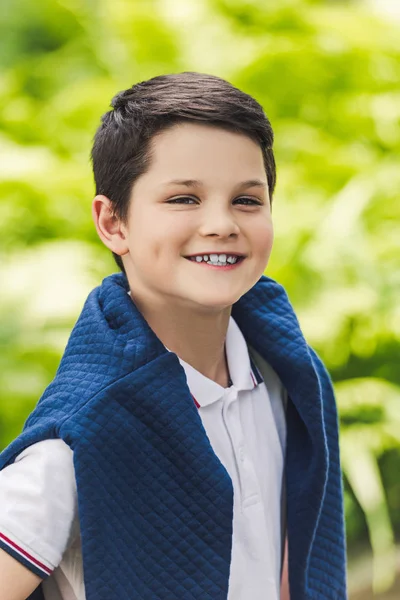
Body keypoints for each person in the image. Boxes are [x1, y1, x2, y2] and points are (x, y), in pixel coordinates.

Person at [0, 72, 347, 600]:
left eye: (247, 201)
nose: (221, 224)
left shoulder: (288, 377)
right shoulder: (76, 441)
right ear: (113, 221)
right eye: (184, 198)